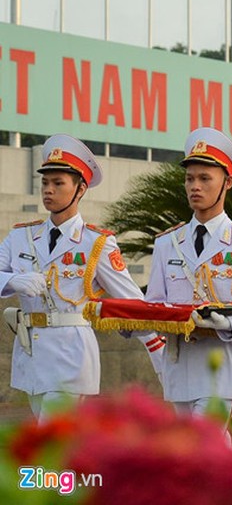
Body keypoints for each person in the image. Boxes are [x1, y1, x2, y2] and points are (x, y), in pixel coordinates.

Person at [0, 134, 164, 420]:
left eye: (58, 183)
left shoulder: (96, 243)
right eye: (45, 183)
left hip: (71, 353)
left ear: (81, 189)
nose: (48, 190)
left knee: (51, 438)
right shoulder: (21, 236)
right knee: (55, 440)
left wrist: (155, 345)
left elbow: (130, 298)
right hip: (31, 352)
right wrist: (10, 281)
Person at [145, 128, 232, 432]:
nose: (194, 187)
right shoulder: (167, 242)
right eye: (190, 179)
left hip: (221, 365)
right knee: (197, 454)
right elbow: (154, 304)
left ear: (227, 182)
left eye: (204, 179)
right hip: (179, 363)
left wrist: (226, 324)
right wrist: (133, 322)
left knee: (204, 443)